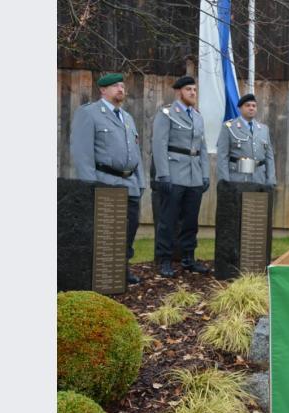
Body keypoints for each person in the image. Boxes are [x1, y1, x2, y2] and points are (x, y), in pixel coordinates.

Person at [70, 73, 146, 285]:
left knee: (128, 229)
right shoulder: (90, 114)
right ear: (102, 90)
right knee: (105, 231)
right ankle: (101, 273)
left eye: (122, 85)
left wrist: (140, 182)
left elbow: (135, 153)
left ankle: (122, 268)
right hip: (105, 181)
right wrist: (90, 184)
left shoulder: (127, 118)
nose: (120, 89)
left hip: (129, 183)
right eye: (115, 86)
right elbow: (82, 152)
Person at [151, 76, 210, 277]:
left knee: (191, 221)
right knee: (168, 220)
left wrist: (205, 174)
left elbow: (202, 148)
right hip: (174, 174)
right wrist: (163, 174)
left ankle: (188, 259)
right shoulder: (167, 114)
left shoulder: (197, 116)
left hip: (194, 176)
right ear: (179, 92)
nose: (193, 93)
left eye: (194, 89)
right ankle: (165, 260)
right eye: (188, 89)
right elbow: (158, 145)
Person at [216, 93, 276, 188]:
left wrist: (271, 180)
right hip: (237, 179)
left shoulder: (264, 129)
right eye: (247, 105)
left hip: (259, 179)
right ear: (240, 108)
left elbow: (269, 157)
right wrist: (224, 181)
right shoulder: (229, 127)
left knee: (257, 203)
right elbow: (222, 157)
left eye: (254, 106)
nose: (251, 108)